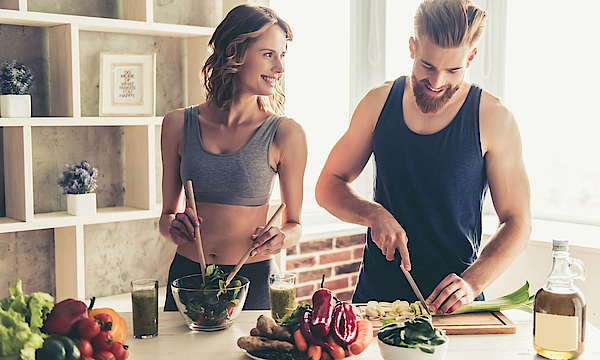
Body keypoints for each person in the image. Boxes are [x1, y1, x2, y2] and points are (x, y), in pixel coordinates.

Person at [315, 0, 531, 315]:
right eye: (428, 65)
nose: (437, 82)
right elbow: (327, 185)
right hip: (375, 301)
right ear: (412, 47)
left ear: (470, 58)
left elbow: (518, 222)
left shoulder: (493, 118)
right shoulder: (378, 103)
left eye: (453, 69)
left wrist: (472, 283)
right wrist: (374, 214)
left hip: (452, 306)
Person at [159, 4, 307, 311]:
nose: (280, 68)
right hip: (187, 277)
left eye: (282, 55)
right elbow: (166, 218)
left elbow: (294, 225)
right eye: (269, 54)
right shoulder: (177, 124)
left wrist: (281, 237)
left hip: (251, 280)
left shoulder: (286, 134)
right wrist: (173, 226)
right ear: (235, 53)